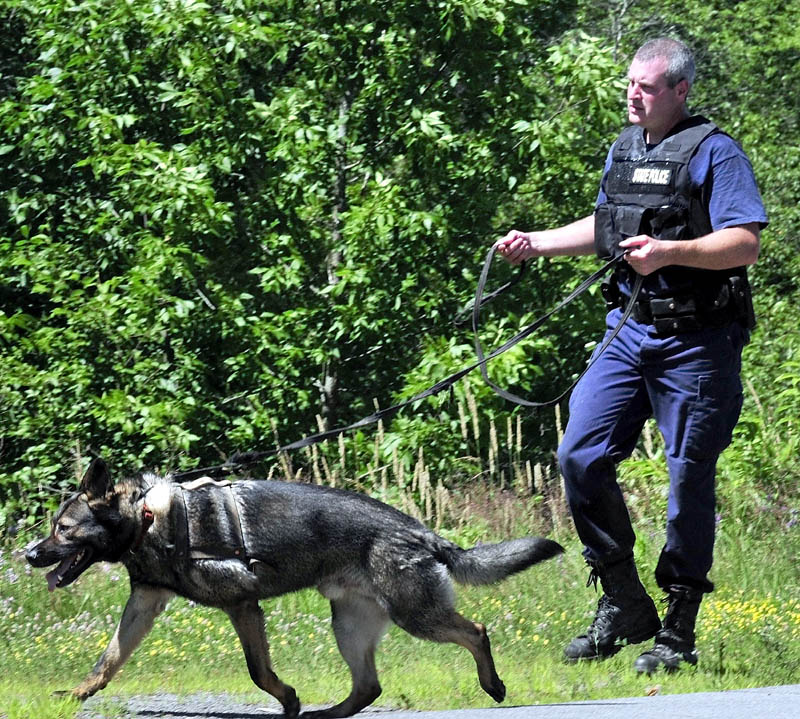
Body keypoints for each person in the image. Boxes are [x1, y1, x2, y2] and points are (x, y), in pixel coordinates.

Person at [495, 37, 767, 673]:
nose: (633, 95)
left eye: (646, 87)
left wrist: (670, 252)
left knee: (687, 478)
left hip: (696, 342)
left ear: (680, 91)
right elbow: (604, 229)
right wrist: (535, 243)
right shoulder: (625, 148)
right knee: (579, 455)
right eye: (630, 84)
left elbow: (744, 243)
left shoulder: (716, 152)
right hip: (628, 331)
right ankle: (623, 600)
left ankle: (678, 627)